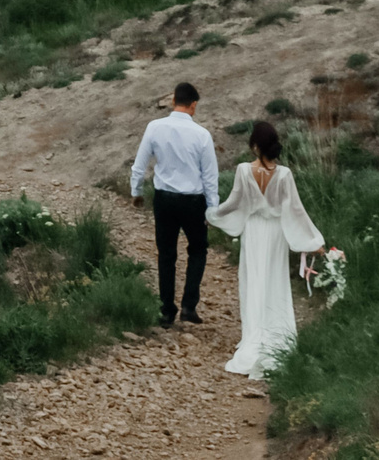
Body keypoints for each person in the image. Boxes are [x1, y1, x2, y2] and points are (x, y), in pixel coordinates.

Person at [207, 118, 327, 379]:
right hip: (275, 234)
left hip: (253, 231)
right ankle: (274, 331)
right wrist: (314, 241)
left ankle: (254, 333)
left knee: (253, 280)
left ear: (255, 146)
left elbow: (233, 204)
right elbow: (296, 211)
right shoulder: (284, 174)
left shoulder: (242, 171)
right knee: (274, 280)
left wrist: (213, 214)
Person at [130, 80, 218, 328]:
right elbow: (210, 176)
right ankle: (189, 305)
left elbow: (140, 163)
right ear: (193, 105)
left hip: (164, 198)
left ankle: (167, 309)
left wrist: (136, 191)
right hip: (193, 200)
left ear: (173, 101)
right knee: (198, 249)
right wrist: (212, 209)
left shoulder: (154, 127)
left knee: (166, 253)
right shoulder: (202, 135)